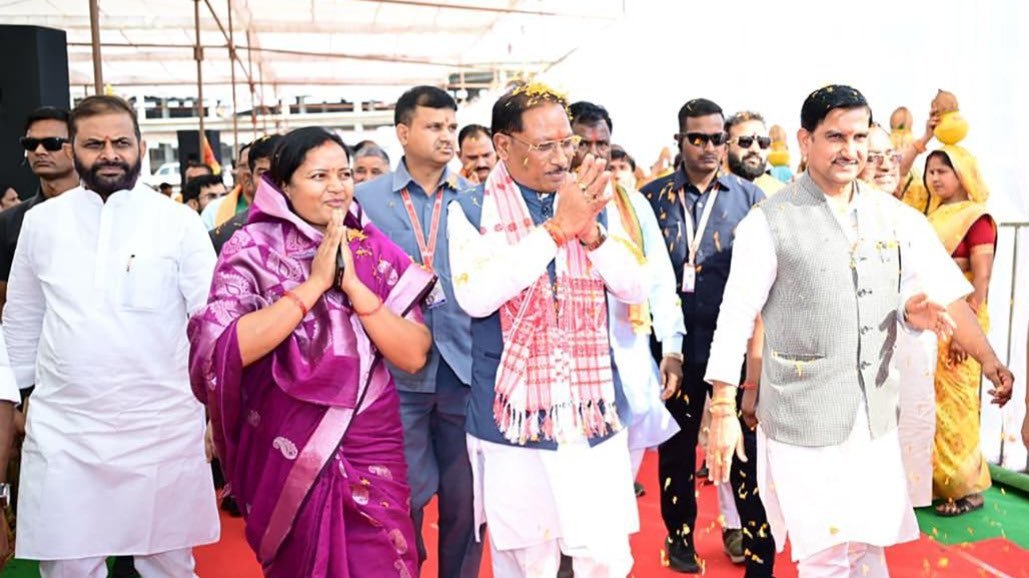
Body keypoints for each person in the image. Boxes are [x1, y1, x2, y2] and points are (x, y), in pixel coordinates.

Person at [704, 85, 1014, 578]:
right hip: (803, 419)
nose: (850, 150)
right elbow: (736, 315)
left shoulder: (894, 217)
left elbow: (949, 293)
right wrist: (723, 407)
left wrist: (989, 359)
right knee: (825, 556)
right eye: (835, 137)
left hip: (874, 419)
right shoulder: (768, 222)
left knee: (868, 547)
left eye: (859, 137)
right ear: (805, 141)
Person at [189, 126, 433, 577]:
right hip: (284, 439)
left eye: (344, 174)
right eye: (319, 176)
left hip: (369, 439)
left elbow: (415, 354)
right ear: (283, 185)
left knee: (381, 559)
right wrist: (316, 283)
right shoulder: (251, 249)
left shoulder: (371, 247)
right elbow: (226, 349)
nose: (337, 187)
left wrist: (354, 287)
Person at [3, 94, 220, 577]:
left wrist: (217, 412)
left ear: (141, 146)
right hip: (66, 427)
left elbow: (210, 323)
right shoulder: (42, 222)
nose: (109, 154)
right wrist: (17, 400)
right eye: (94, 144)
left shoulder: (178, 222)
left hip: (162, 424)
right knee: (68, 563)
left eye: (121, 142)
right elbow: (23, 317)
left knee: (167, 564)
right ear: (73, 149)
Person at [447, 83, 646, 577]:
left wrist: (590, 231)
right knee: (527, 558)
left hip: (590, 411)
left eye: (566, 142)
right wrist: (556, 230)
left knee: (603, 556)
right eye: (544, 145)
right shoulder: (468, 209)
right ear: (503, 145)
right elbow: (476, 296)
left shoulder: (595, 198)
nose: (561, 157)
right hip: (513, 418)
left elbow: (636, 286)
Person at [355, 86, 483, 578]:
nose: (447, 136)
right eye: (434, 127)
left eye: (451, 127)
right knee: (398, 498)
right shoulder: (365, 202)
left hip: (465, 369)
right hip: (393, 374)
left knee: (466, 503)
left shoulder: (477, 201)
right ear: (403, 133)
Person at [641, 98, 770, 573]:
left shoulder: (750, 199)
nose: (709, 147)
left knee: (741, 448)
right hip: (671, 347)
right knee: (676, 448)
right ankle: (679, 537)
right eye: (698, 138)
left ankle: (748, 536)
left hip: (730, 347)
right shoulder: (651, 199)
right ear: (679, 141)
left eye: (718, 138)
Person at [569, 100, 683, 492]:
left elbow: (659, 278)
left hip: (628, 351)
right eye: (583, 143)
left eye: (602, 144)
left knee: (621, 482)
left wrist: (672, 347)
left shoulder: (631, 204)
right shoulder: (550, 203)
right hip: (570, 365)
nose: (594, 154)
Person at [860, 123, 938, 508]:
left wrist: (988, 359)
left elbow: (946, 293)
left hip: (909, 355)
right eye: (873, 157)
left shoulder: (911, 222)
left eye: (890, 156)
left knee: (898, 485)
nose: (886, 164)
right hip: (855, 371)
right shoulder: (829, 220)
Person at [923, 146, 998, 516]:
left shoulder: (975, 218)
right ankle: (933, 484)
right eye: (931, 171)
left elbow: (981, 279)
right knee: (931, 405)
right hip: (931, 320)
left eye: (943, 171)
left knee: (958, 406)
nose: (935, 178)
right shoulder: (930, 216)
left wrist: (963, 334)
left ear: (962, 174)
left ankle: (966, 488)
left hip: (962, 321)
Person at [0, 107, 79, 310]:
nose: (39, 151)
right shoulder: (10, 222)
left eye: (52, 143)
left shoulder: (104, 212)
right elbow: (5, 300)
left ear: (76, 147)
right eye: (31, 144)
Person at [209, 135, 282, 253]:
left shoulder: (311, 225)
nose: (273, 180)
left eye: (280, 172)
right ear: (250, 177)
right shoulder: (226, 235)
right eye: (263, 173)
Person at [725, 111, 785, 195]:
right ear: (725, 147)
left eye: (763, 142)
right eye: (745, 141)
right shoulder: (710, 189)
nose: (755, 149)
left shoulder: (779, 193)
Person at [202, 142, 253, 229]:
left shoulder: (279, 208)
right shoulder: (214, 210)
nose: (249, 172)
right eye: (243, 166)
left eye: (255, 167)